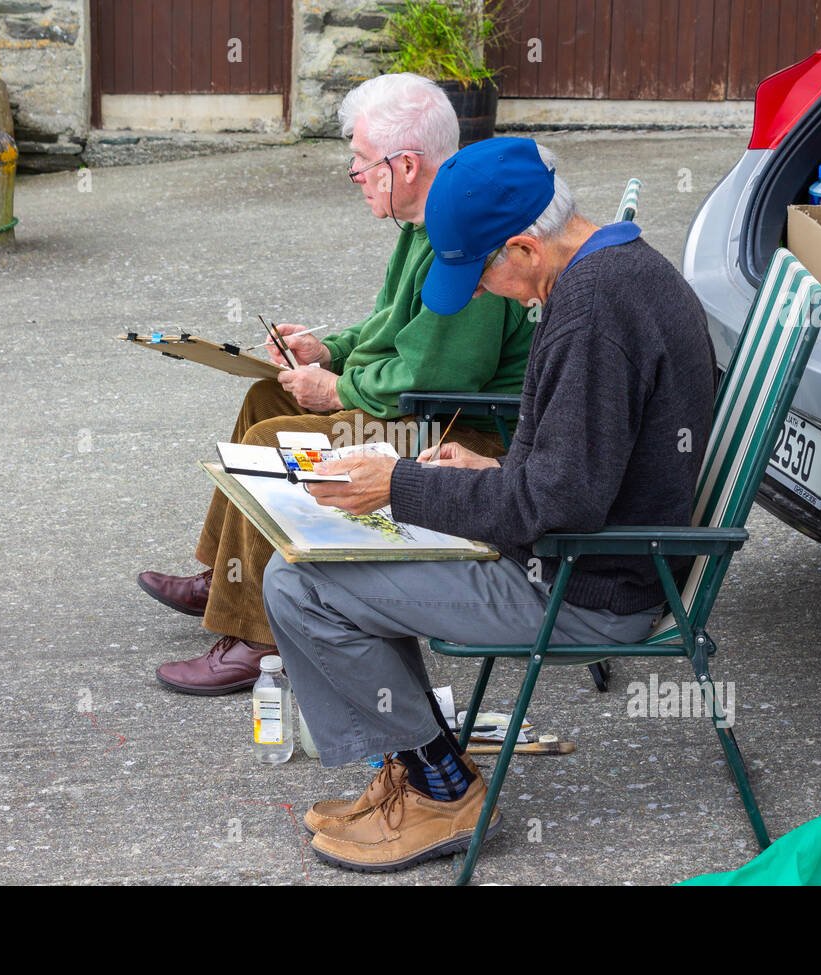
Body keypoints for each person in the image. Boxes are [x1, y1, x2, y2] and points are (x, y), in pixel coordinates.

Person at [261, 137, 717, 873]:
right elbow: (581, 467)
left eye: (480, 277)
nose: (478, 294)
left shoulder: (593, 310)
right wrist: (492, 463)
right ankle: (417, 771)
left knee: (300, 583)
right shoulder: (617, 268)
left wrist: (398, 484)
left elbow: (557, 498)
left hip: (584, 586)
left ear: (523, 248)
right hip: (593, 557)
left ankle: (440, 786)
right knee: (316, 565)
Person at [139, 74, 533, 696]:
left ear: (403, 165)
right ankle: (228, 575)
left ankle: (260, 637)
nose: (352, 171)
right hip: (421, 403)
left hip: (462, 427)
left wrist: (340, 392)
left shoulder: (464, 236)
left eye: (358, 158)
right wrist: (329, 351)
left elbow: (439, 374)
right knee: (266, 394)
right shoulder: (422, 225)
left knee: (276, 436)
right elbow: (389, 329)